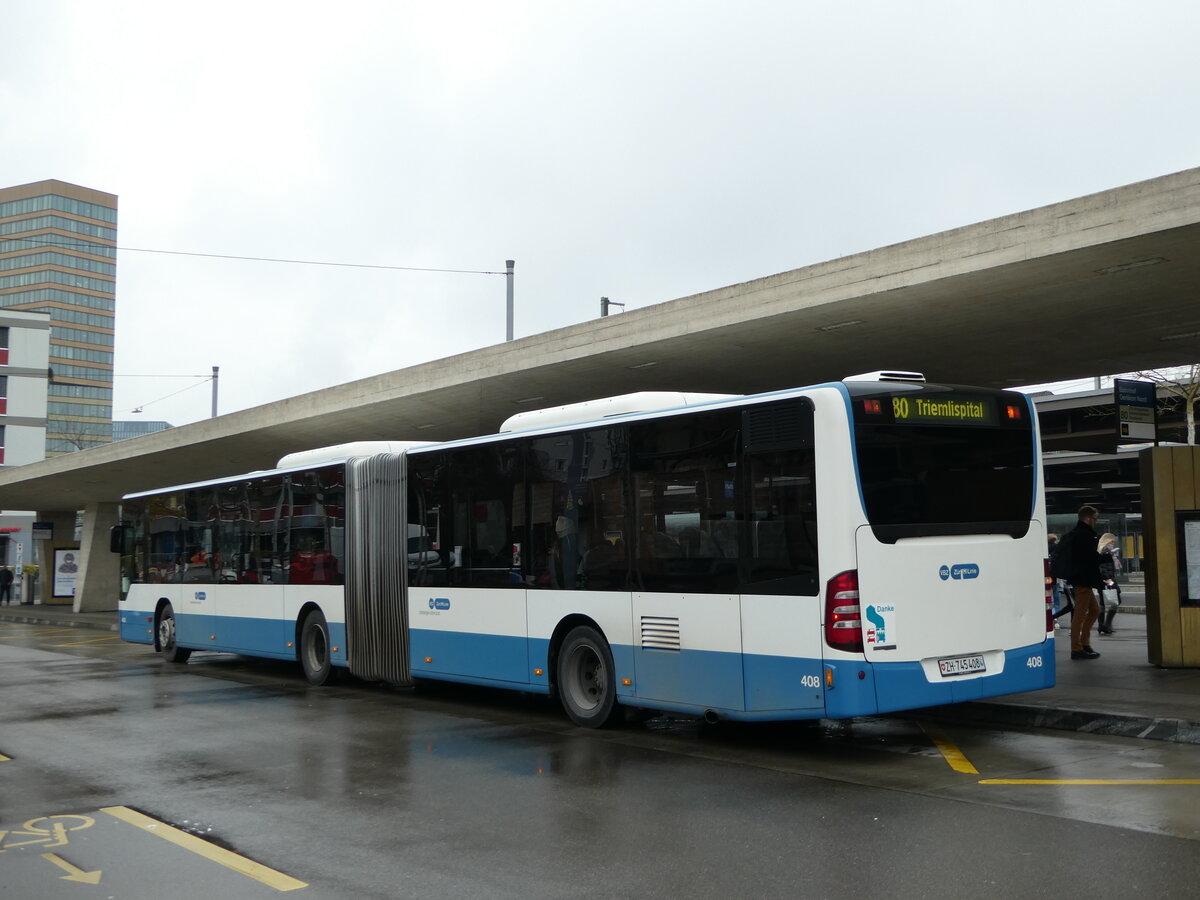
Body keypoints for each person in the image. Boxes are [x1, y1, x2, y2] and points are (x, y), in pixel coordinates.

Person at [1065, 505, 1104, 660]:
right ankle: (1077, 648)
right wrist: (1106, 556)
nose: (1096, 521)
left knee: (1095, 610)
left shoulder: (1081, 534)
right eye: (1095, 518)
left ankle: (1084, 643)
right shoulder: (1083, 535)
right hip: (1083, 579)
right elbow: (1089, 558)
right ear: (1087, 518)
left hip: (1083, 579)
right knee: (1080, 615)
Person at [1097, 532, 1122, 635]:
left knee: (1103, 603)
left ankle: (1102, 625)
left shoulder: (1104, 550)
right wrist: (1110, 582)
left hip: (1102, 580)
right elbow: (1103, 568)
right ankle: (1106, 625)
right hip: (1107, 580)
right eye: (1112, 541)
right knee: (1116, 601)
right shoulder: (1105, 551)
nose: (1113, 543)